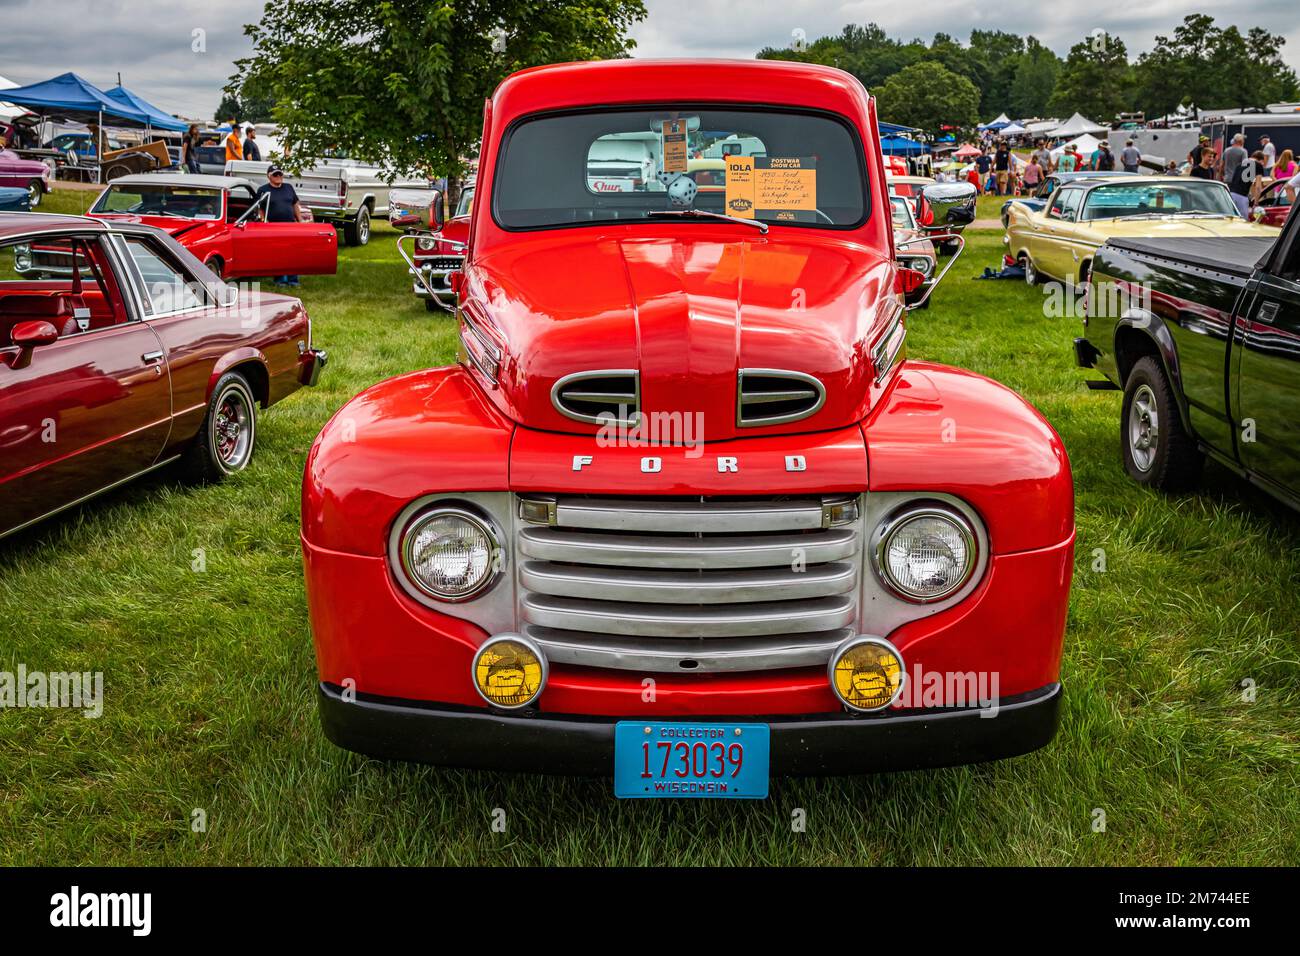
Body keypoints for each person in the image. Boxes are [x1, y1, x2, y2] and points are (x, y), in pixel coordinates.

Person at [255, 166, 305, 286]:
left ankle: (293, 280)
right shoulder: (263, 190)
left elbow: (295, 205)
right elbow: (260, 209)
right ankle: (280, 280)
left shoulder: (288, 188)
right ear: (269, 176)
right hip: (274, 228)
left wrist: (300, 221)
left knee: (293, 253)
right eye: (275, 175)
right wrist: (264, 221)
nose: (278, 177)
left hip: (291, 226)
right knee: (279, 253)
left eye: (280, 174)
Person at [1228, 150, 1265, 217]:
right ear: (1261, 160)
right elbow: (1258, 187)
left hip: (1230, 194)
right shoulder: (1258, 165)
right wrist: (1256, 203)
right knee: (1243, 222)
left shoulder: (1239, 164)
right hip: (1242, 196)